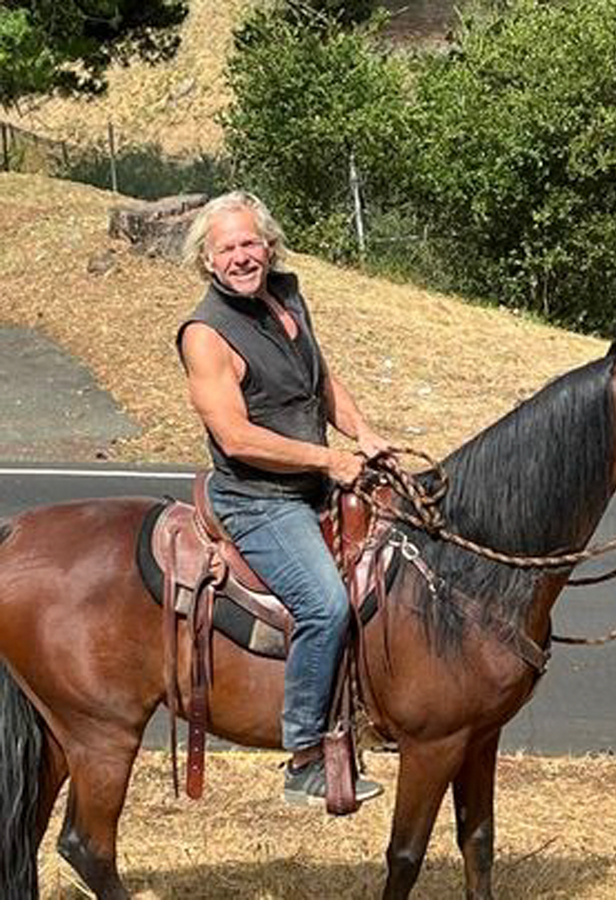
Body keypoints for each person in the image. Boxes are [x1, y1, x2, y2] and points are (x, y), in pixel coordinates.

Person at [178, 190, 388, 806]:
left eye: (250, 243)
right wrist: (330, 458)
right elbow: (237, 437)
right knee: (325, 604)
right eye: (227, 248)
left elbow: (321, 380)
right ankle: (303, 756)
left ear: (267, 244)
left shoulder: (286, 296)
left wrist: (364, 434)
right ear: (208, 261)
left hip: (316, 480)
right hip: (259, 500)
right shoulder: (206, 334)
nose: (242, 256)